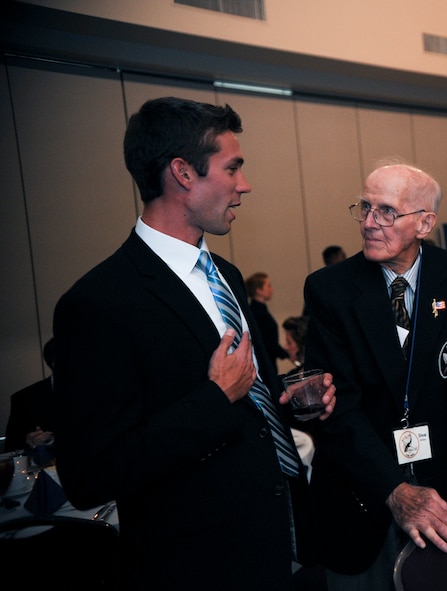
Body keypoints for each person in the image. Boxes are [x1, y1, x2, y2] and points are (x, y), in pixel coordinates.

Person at [51, 96, 336, 591]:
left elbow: (250, 401)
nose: (244, 184)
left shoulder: (224, 273)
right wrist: (213, 399)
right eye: (233, 167)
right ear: (183, 173)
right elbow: (90, 475)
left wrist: (290, 406)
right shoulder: (99, 302)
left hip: (277, 546)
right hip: (195, 566)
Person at [303, 162, 447, 591]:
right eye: (365, 208)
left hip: (443, 497)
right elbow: (338, 409)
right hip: (360, 500)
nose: (369, 223)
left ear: (424, 223)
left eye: (387, 212)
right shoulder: (329, 290)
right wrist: (393, 489)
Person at [5, 338, 56, 460]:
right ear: (54, 362)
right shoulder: (25, 399)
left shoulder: (100, 393)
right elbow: (12, 447)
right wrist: (30, 442)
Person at [246, 271, 289, 363]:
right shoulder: (257, 313)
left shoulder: (258, 310)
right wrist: (287, 354)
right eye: (268, 286)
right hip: (265, 363)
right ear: (259, 290)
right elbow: (266, 343)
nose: (272, 289)